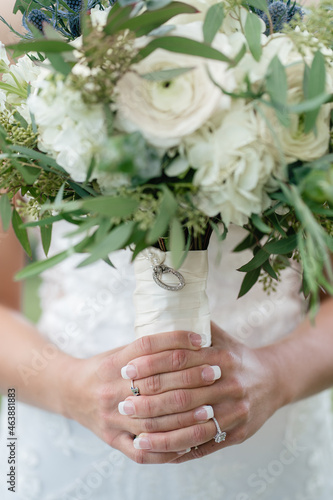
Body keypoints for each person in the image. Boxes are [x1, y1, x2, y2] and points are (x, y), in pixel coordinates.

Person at [0, 1, 333, 499]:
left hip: (269, 446)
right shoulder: (31, 27)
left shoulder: (302, 33)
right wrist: (72, 390)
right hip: (70, 444)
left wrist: (278, 376)